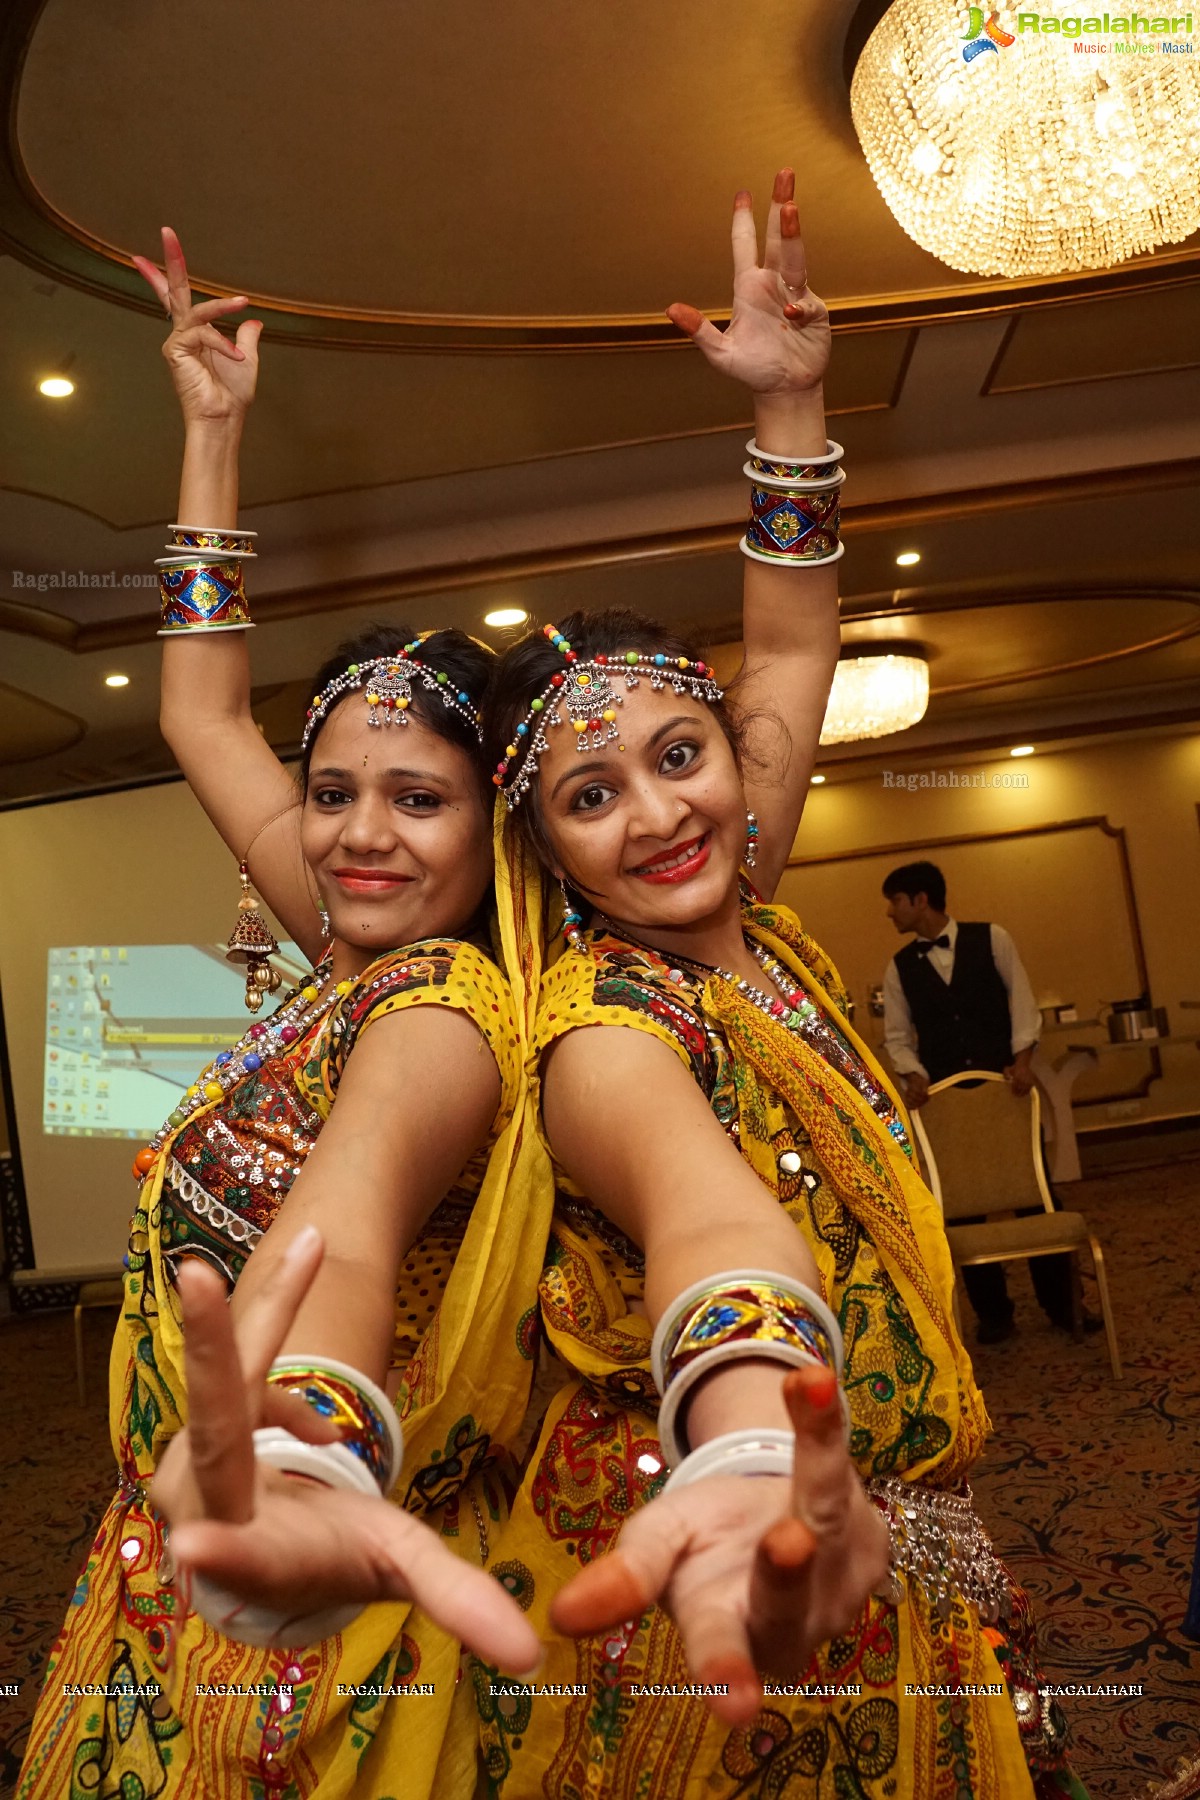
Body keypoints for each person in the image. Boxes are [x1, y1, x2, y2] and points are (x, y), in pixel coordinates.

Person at [478, 177, 1087, 1798]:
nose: (663, 810)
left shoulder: (762, 903)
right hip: (738, 1543)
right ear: (546, 853)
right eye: (591, 795)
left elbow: (797, 642)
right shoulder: (610, 1027)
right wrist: (752, 1435)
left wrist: (796, 406)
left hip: (906, 1519)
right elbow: (705, 1220)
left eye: (680, 756)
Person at [17, 233, 551, 1800]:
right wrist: (209, 431)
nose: (358, 835)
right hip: (193, 1520)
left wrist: (300, 1444)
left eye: (418, 800)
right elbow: (196, 708)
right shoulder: (346, 943)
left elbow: (353, 1221)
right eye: (331, 793)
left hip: (305, 1590)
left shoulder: (439, 1011)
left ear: (493, 828)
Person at [881, 859, 1083, 1346]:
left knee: (1036, 1195)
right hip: (947, 1106)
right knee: (964, 1206)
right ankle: (994, 1314)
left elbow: (1022, 1003)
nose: (889, 913)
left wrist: (1023, 1059)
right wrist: (916, 1075)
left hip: (1005, 1091)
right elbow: (896, 1036)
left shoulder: (993, 938)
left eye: (895, 901)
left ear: (920, 900)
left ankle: (1064, 1305)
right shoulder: (898, 967)